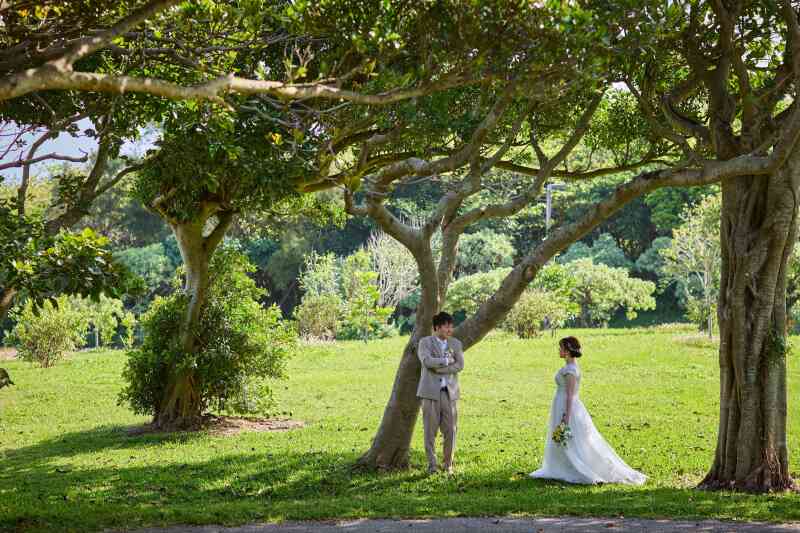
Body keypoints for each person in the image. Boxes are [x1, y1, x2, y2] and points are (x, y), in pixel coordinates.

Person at [530, 336, 646, 485]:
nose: (559, 350)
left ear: (567, 351)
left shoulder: (571, 370)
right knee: (565, 439)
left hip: (567, 407)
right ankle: (561, 465)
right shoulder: (568, 367)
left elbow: (570, 395)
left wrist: (566, 416)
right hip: (560, 404)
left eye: (561, 348)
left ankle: (577, 467)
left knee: (574, 439)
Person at [417, 311, 464, 474]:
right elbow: (427, 361)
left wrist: (440, 369)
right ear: (437, 327)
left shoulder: (456, 344)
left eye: (451, 326)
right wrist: (445, 361)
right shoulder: (425, 342)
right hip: (429, 393)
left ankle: (448, 464)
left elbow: (460, 365)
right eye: (446, 326)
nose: (450, 329)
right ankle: (432, 465)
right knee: (430, 431)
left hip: (449, 393)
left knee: (451, 429)